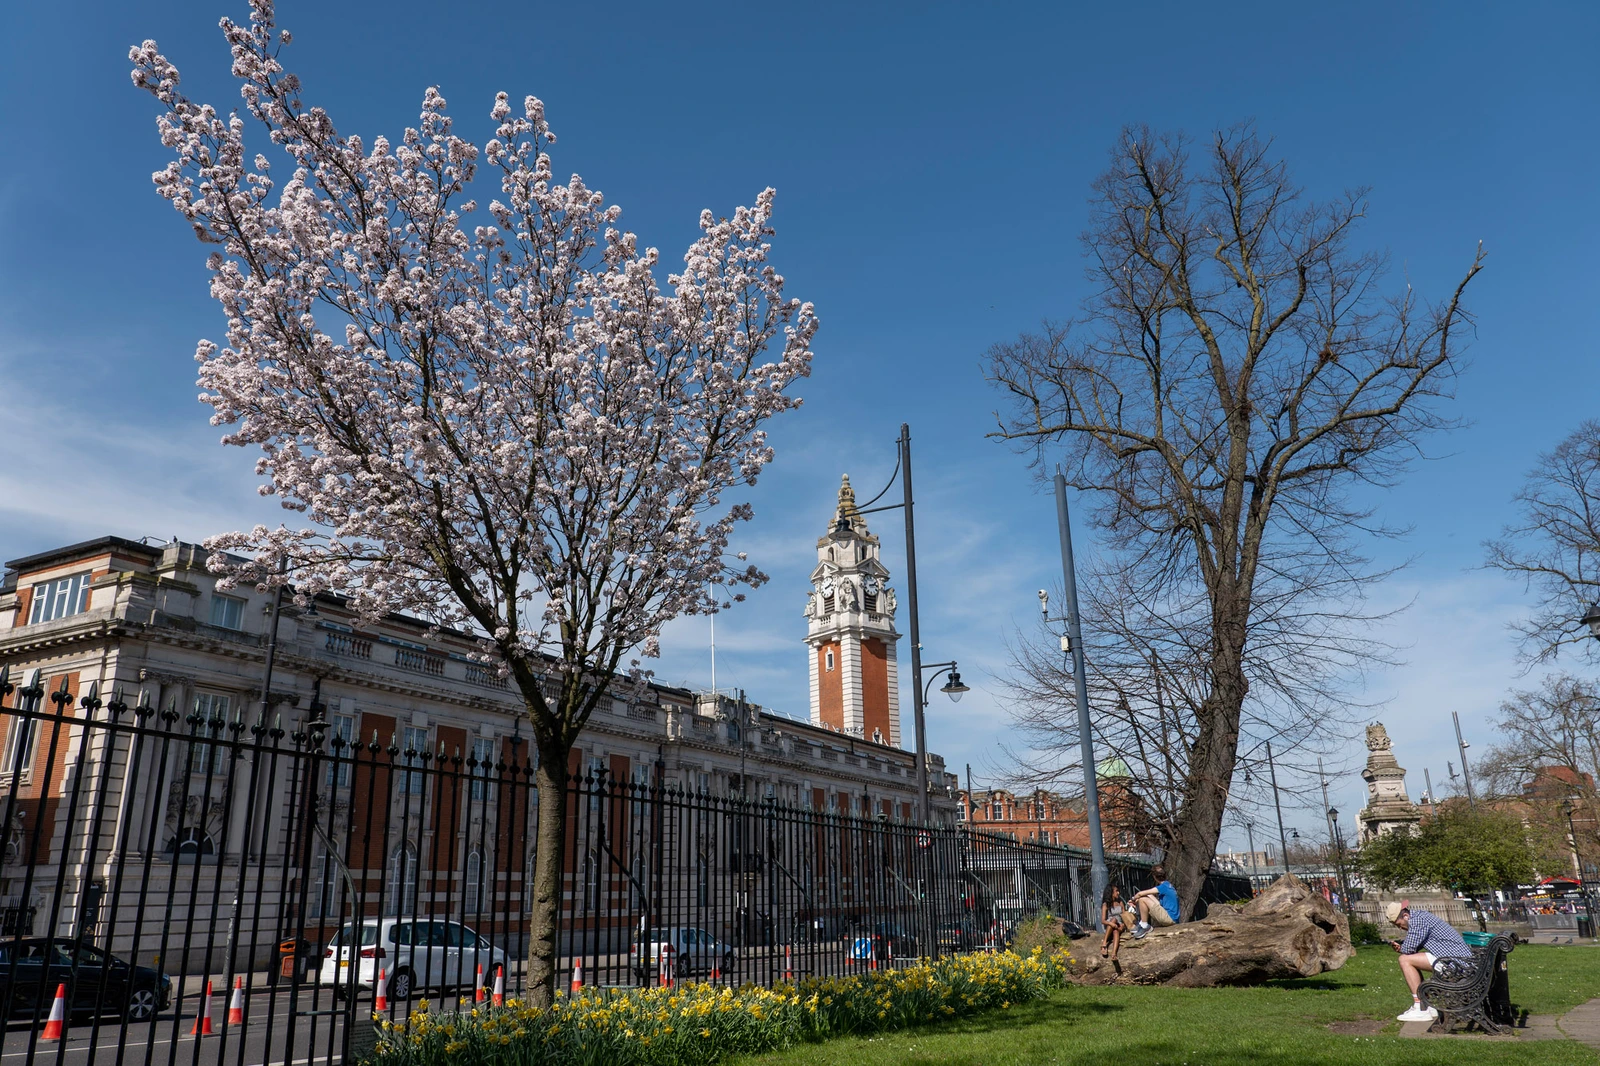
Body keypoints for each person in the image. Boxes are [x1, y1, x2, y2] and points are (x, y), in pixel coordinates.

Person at [1385, 901, 1473, 1022]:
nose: (1400, 928)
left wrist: (1402, 949)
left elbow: (1409, 949)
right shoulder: (1420, 916)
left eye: (1399, 924)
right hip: (1457, 960)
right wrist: (1404, 948)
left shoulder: (1417, 921)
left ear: (1405, 916)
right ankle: (1427, 1005)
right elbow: (1413, 947)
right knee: (1408, 959)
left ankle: (1421, 1008)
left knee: (1404, 960)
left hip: (1456, 963)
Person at [1130, 864, 1179, 938]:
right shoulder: (1168, 885)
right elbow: (1157, 903)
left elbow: (1140, 894)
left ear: (1154, 877)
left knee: (1142, 899)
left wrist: (1133, 899)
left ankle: (1144, 925)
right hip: (1172, 918)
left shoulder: (1162, 887)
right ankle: (1142, 923)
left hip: (1169, 918)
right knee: (1147, 896)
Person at [1100, 884, 1127, 959]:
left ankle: (1114, 954)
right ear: (1111, 892)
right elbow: (1103, 920)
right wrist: (1111, 923)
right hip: (1110, 926)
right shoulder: (1105, 904)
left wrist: (1123, 925)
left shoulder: (1120, 903)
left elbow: (1124, 916)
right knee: (1114, 919)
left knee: (1116, 931)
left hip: (1119, 925)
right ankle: (1104, 943)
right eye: (1116, 891)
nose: (1118, 893)